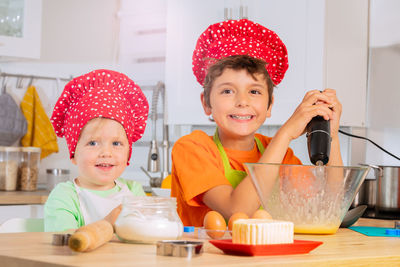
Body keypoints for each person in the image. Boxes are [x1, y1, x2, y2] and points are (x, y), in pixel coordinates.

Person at [170, 19, 343, 226]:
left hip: (267, 257)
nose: (242, 102)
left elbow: (328, 205)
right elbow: (236, 210)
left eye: (254, 91)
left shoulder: (279, 154)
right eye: (227, 91)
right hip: (207, 257)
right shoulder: (192, 148)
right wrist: (285, 133)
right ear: (206, 103)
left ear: (269, 105)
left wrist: (331, 134)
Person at [44, 69, 149, 232]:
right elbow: (64, 246)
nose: (106, 153)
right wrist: (106, 225)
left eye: (116, 143)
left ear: (129, 151)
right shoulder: (64, 197)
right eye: (93, 143)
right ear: (73, 153)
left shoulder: (134, 192)